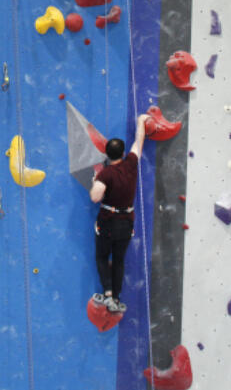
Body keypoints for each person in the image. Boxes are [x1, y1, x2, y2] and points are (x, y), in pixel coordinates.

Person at [90, 113, 148, 314]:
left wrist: (95, 181)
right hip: (126, 223)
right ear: (122, 153)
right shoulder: (131, 164)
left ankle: (107, 294)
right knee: (119, 260)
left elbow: (95, 197)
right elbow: (138, 141)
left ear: (107, 154)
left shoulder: (105, 174)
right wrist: (141, 121)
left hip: (108, 222)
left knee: (101, 257)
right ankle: (116, 296)